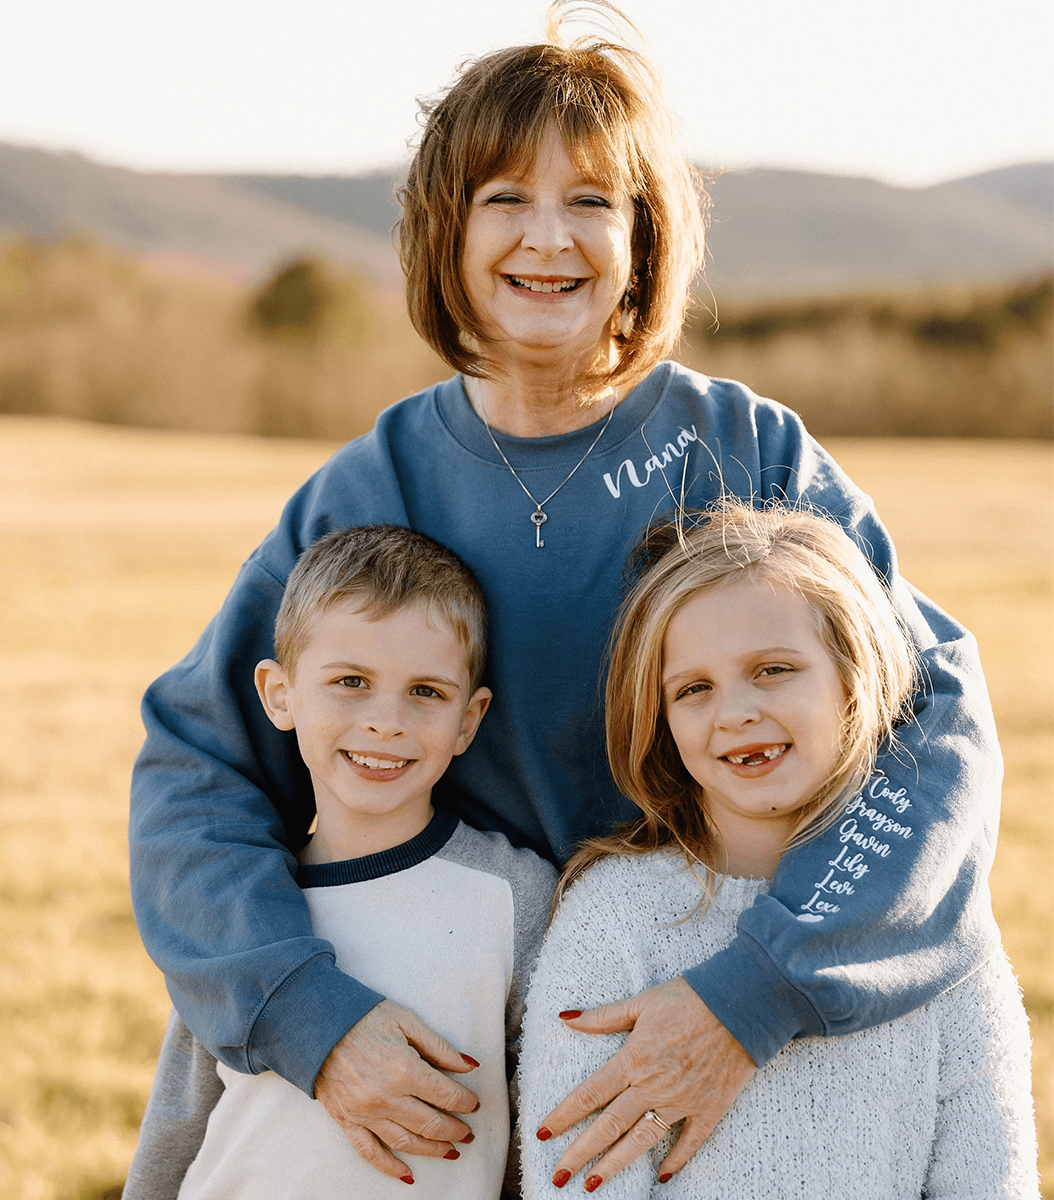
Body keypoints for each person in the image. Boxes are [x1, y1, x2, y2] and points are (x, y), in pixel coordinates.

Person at [128, 2, 1002, 1187]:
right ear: (447, 230)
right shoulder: (365, 491)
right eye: (506, 199)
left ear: (645, 237)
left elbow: (930, 726)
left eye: (592, 200)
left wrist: (758, 989)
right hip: (431, 1034)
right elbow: (196, 774)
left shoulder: (750, 455)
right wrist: (307, 1013)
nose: (551, 238)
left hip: (680, 1009)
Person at [518, 503, 1038, 1197]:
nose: (734, 711)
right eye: (694, 688)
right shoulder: (612, 920)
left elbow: (990, 1180)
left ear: (854, 680)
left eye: (772, 670)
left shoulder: (935, 933)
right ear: (661, 718)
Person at [124, 525, 557, 1199]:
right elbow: (180, 1115)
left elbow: (538, 1127)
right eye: (351, 681)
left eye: (426, 692)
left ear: (469, 721)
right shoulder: (252, 909)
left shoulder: (514, 896)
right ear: (280, 695)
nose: (386, 720)